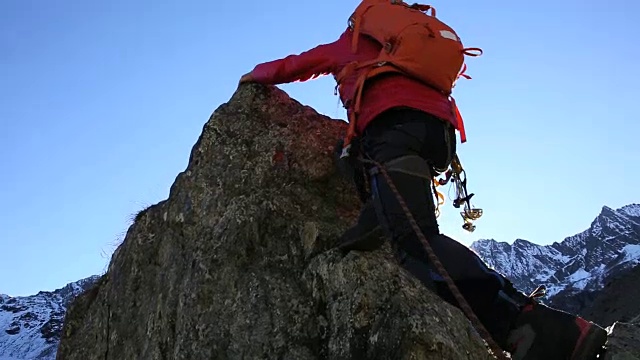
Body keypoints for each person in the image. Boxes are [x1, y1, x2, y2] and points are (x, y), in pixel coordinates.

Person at [239, 18, 608, 360]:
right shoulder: (407, 41)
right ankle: (376, 216)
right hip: (438, 134)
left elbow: (294, 65)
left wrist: (252, 76)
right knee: (393, 206)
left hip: (393, 130)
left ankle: (534, 329)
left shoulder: (349, 44)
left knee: (417, 240)